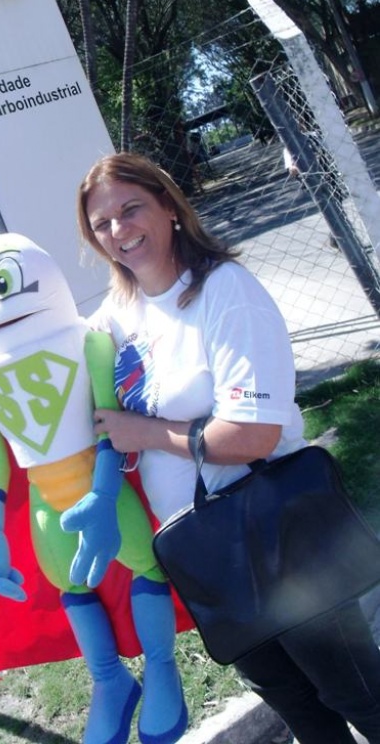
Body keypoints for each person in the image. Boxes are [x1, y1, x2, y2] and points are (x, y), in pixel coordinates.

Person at [76, 152, 380, 744]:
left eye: (131, 209)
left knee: (357, 694)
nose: (118, 230)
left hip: (276, 535)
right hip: (206, 553)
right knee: (299, 709)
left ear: (169, 206)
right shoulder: (118, 314)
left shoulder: (224, 291)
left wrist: (143, 433)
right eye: (101, 223)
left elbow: (252, 435)